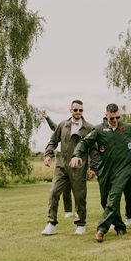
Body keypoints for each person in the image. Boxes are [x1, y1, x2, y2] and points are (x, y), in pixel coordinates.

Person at [72, 103, 131, 242]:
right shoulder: (99, 130)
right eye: (112, 118)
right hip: (105, 170)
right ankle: (120, 226)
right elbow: (84, 143)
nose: (115, 120)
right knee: (105, 201)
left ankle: (102, 229)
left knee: (114, 196)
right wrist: (77, 154)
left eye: (117, 117)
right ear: (106, 115)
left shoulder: (128, 128)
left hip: (124, 169)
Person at [40, 100, 96, 236]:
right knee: (53, 192)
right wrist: (48, 155)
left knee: (79, 196)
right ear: (70, 110)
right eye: (75, 110)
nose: (78, 112)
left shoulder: (89, 128)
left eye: (80, 110)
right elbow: (53, 141)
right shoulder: (62, 125)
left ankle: (81, 223)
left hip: (79, 166)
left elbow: (93, 150)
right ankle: (51, 224)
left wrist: (93, 167)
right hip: (61, 165)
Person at [40, 110, 74, 219]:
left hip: (77, 162)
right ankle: (68, 210)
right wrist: (47, 117)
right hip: (64, 163)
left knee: (78, 189)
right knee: (66, 188)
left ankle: (78, 210)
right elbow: (54, 127)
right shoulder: (62, 129)